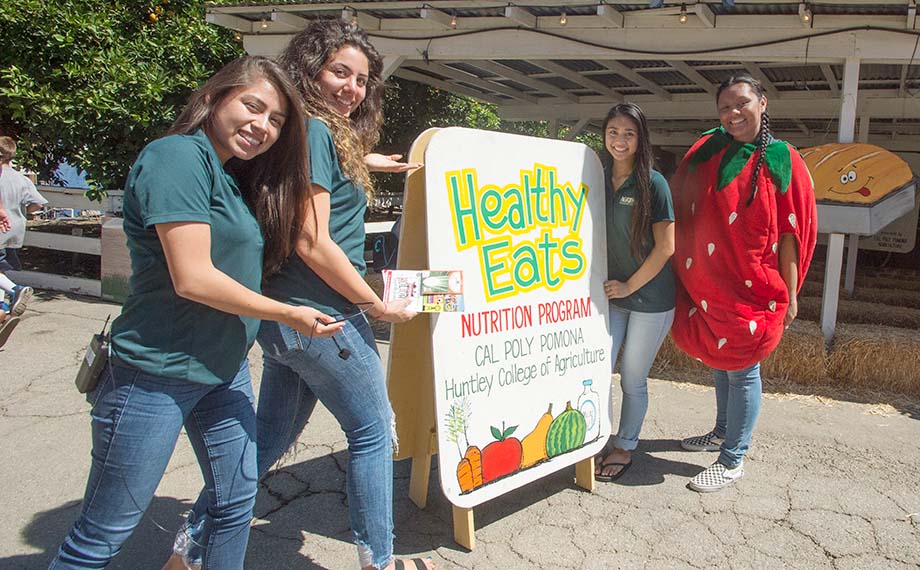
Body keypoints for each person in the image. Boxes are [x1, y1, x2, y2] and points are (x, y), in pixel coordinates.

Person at [50, 56, 344, 569]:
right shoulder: (176, 158)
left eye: (276, 120)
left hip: (222, 371)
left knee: (234, 502)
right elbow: (194, 277)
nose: (263, 126)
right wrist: (287, 313)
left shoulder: (230, 176)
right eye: (252, 107)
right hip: (153, 375)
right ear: (213, 98)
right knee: (103, 534)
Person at [165, 21, 435, 570]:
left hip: (288, 318)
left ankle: (186, 552)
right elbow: (312, 240)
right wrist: (374, 304)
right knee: (374, 431)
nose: (351, 88)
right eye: (340, 71)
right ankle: (379, 562)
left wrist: (370, 163)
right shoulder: (312, 132)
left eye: (361, 80)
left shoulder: (315, 134)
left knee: (266, 442)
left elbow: (316, 191)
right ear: (310, 68)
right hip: (322, 315)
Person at [670, 73, 816, 492]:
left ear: (763, 103)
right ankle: (720, 432)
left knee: (742, 370)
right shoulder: (707, 149)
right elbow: (683, 205)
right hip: (710, 285)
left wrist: (790, 294)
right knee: (721, 361)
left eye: (742, 104)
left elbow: (791, 234)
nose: (733, 113)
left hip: (755, 288)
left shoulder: (782, 157)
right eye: (725, 107)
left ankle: (732, 458)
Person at [592, 103, 675, 483]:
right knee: (595, 368)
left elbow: (666, 247)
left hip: (649, 299)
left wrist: (628, 285)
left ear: (640, 139)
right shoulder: (595, 176)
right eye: (613, 132)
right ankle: (594, 439)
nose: (620, 140)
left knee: (632, 377)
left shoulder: (653, 184)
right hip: (612, 295)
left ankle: (624, 445)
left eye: (628, 133)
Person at [0, 136, 47, 347]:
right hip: (15, 231)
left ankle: (15, 290)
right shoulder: (21, 179)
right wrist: (21, 212)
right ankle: (2, 310)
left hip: (1, 227)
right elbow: (38, 204)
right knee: (1, 268)